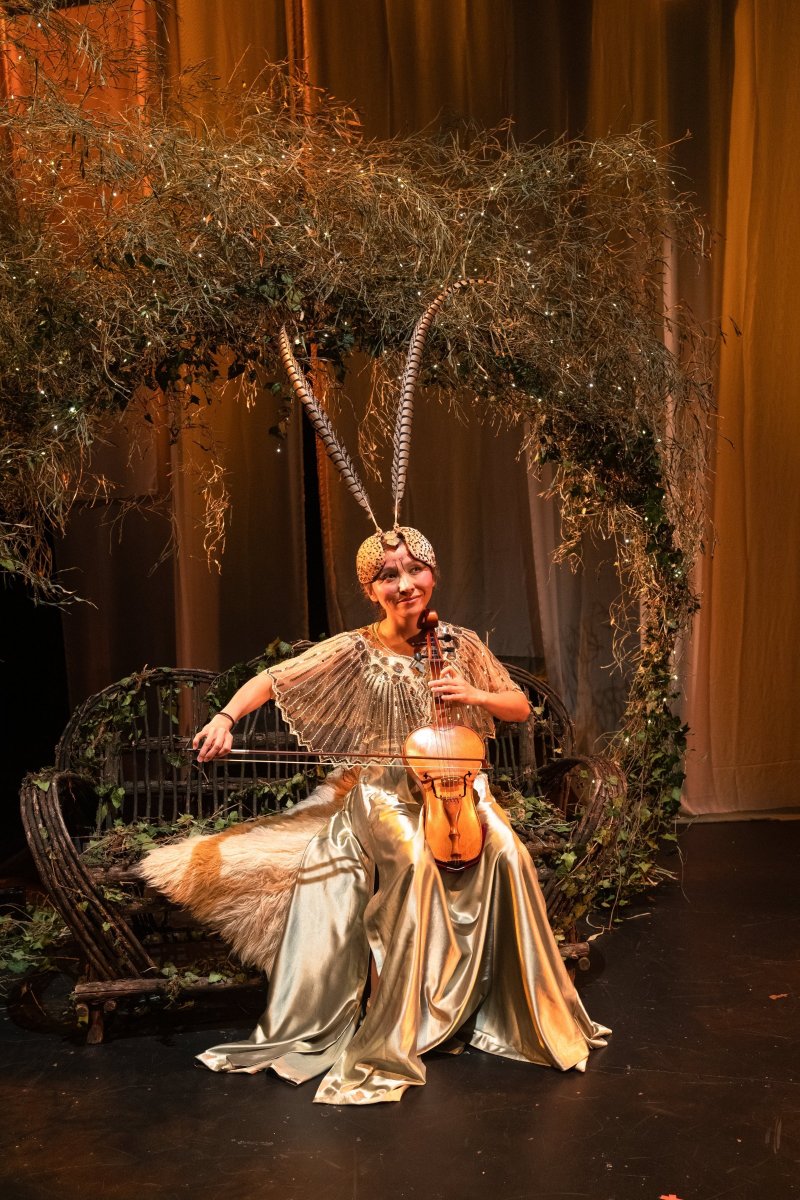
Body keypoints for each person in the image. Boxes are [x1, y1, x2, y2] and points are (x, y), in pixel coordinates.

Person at [142, 525, 610, 1105]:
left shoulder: (459, 644)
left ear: (432, 575)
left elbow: (516, 705)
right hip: (385, 788)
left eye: (415, 570)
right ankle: (400, 1024)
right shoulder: (357, 647)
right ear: (371, 589)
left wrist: (474, 696)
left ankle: (520, 1013)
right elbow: (272, 679)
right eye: (388, 576)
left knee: (510, 856)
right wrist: (225, 719)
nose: (405, 584)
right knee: (413, 863)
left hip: (459, 782)